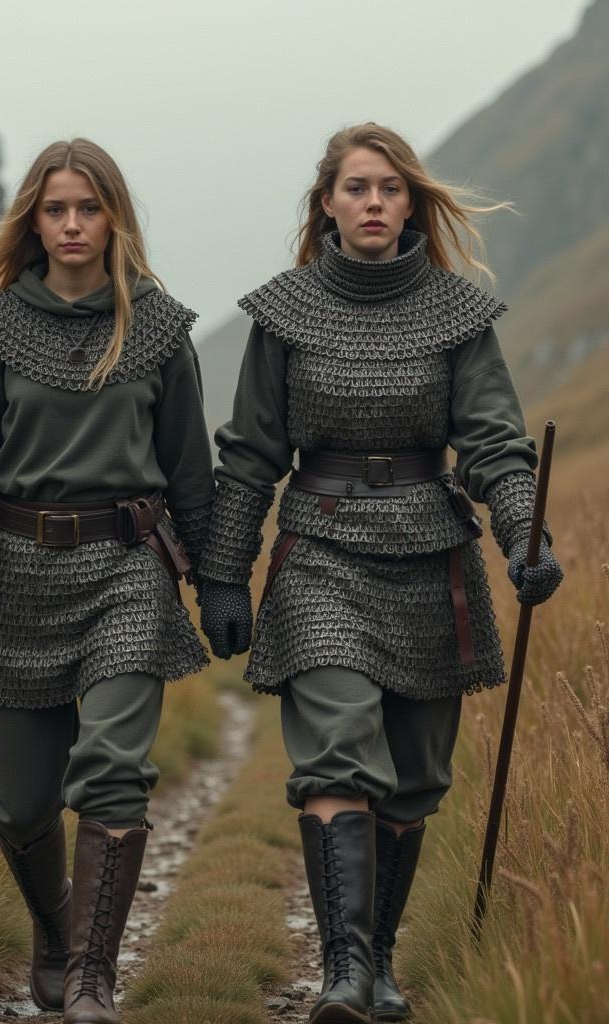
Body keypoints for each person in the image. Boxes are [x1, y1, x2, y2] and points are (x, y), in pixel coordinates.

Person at [198, 123, 562, 1024]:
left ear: (411, 205)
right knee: (335, 750)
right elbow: (248, 455)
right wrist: (221, 576)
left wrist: (523, 535)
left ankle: (384, 959)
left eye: (390, 189)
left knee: (413, 777)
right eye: (356, 188)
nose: (372, 203)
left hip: (430, 557)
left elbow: (493, 444)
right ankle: (345, 972)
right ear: (326, 202)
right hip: (319, 549)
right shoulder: (283, 311)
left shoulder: (456, 312)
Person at [0, 138, 213, 1024]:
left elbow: (190, 473)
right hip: (17, 579)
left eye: (89, 207)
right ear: (33, 221)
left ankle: (90, 979)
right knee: (20, 801)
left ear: (114, 215)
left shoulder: (158, 327)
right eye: (56, 209)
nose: (74, 224)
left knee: (113, 770)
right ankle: (53, 934)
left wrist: (222, 586)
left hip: (128, 569)